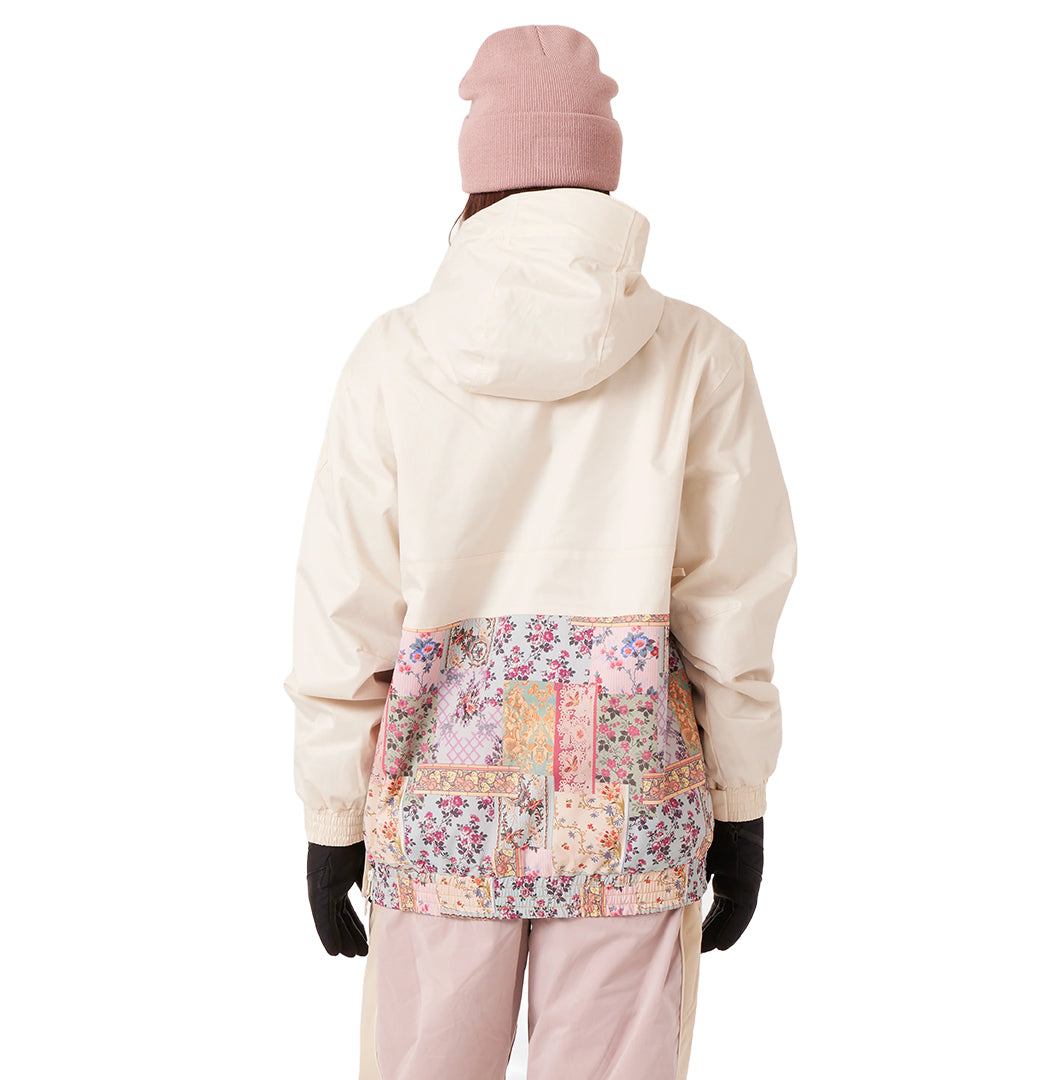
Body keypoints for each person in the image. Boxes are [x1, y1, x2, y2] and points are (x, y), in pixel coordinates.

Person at [284, 23, 797, 1080]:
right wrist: (741, 804)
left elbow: (345, 604)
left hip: (441, 815)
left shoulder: (394, 356)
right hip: (632, 813)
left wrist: (332, 811)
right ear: (603, 171)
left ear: (477, 173)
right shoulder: (699, 356)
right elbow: (735, 605)